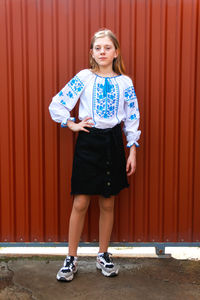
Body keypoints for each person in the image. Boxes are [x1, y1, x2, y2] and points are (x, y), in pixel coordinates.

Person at [49, 28, 141, 282]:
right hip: (88, 142)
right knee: (80, 201)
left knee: (108, 201)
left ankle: (103, 254)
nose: (102, 52)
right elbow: (58, 103)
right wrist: (71, 124)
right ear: (91, 53)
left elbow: (132, 117)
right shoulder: (84, 77)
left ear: (116, 52)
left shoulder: (125, 82)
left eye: (107, 48)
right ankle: (71, 258)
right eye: (97, 48)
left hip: (113, 142)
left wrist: (132, 149)